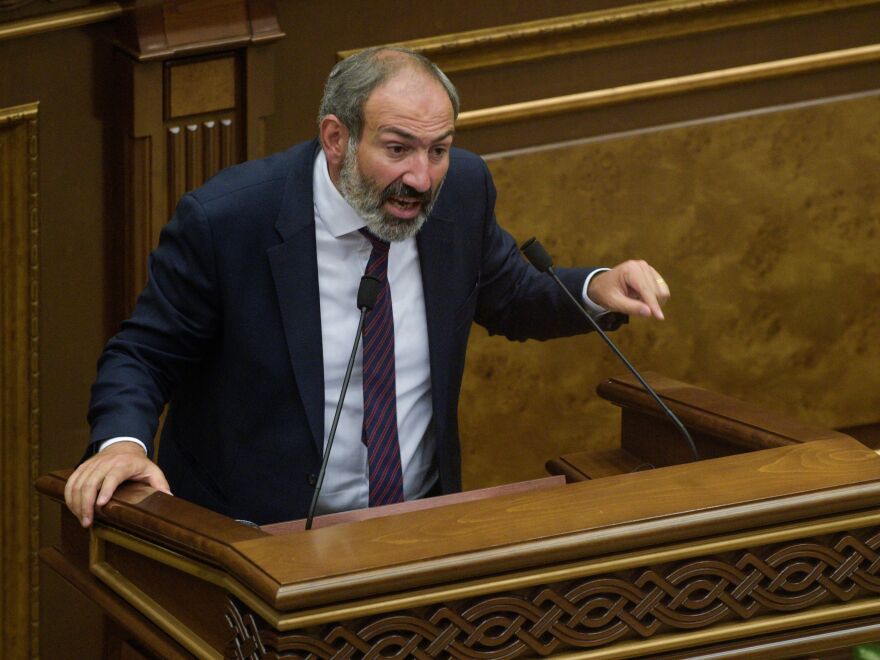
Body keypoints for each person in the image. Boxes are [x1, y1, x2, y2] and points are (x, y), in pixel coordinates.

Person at [65, 47, 670, 527]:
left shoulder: (460, 191)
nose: (421, 177)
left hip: (413, 529)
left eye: (439, 149)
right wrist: (123, 444)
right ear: (337, 139)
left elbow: (507, 292)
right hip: (257, 541)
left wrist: (596, 287)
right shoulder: (228, 221)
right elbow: (143, 354)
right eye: (398, 149)